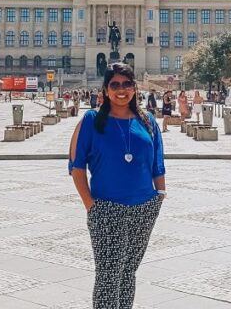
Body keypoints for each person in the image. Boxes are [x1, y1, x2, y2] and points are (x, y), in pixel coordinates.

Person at [69, 63, 166, 309]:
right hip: (106, 208)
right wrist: (91, 206)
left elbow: (158, 164)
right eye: (115, 85)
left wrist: (159, 197)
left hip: (144, 208)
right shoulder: (92, 120)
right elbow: (76, 166)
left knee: (128, 273)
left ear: (134, 88)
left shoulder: (148, 121)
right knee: (107, 276)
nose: (121, 90)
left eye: (127, 84)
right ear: (105, 89)